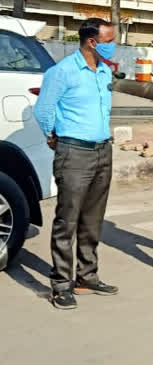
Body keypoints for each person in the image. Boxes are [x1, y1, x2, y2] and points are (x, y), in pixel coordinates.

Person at [33, 18, 118, 310]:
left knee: (92, 220)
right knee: (67, 220)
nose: (113, 45)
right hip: (74, 153)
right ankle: (60, 284)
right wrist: (54, 136)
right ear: (92, 42)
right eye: (109, 40)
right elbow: (43, 109)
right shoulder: (63, 72)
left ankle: (87, 276)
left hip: (102, 151)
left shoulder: (104, 70)